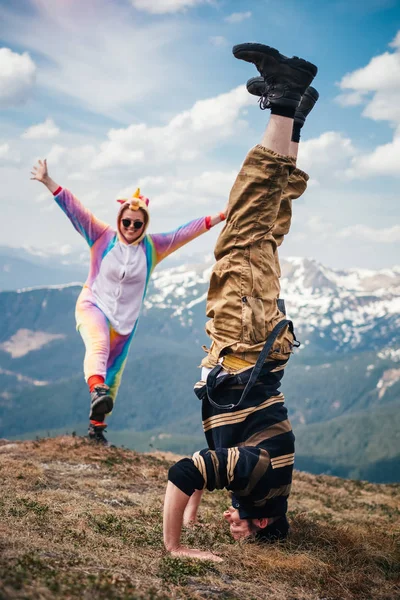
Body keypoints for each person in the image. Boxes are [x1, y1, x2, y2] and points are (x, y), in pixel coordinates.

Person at [163, 42, 319, 562]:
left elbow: (214, 461)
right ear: (263, 524)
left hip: (256, 352)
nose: (232, 525)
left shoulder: (265, 485)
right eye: (241, 531)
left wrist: (195, 506)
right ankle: (284, 93)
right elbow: (187, 471)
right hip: (244, 342)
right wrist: (177, 545)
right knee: (244, 229)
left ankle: (292, 117)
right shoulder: (258, 478)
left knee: (266, 231)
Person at [30, 163, 225, 444]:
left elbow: (185, 231)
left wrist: (221, 216)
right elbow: (75, 211)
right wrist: (49, 181)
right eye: (126, 221)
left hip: (125, 323)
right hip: (93, 305)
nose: (131, 227)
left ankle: (96, 429)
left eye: (137, 223)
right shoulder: (101, 236)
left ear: (144, 225)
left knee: (114, 375)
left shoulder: (153, 247)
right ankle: (97, 390)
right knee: (98, 346)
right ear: (119, 219)